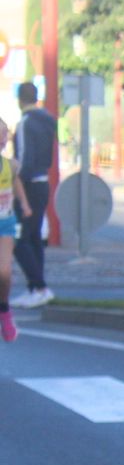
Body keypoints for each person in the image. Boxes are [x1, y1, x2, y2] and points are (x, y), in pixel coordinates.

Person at [12, 82, 56, 308]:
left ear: (20, 100)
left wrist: (15, 180)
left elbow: (23, 158)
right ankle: (35, 288)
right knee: (34, 237)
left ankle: (39, 286)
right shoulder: (48, 121)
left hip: (27, 185)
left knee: (19, 240)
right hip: (43, 182)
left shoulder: (25, 124)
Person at [0, 120, 25, 341]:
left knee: (4, 273)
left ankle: (4, 310)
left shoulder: (10, 165)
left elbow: (16, 183)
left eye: (4, 135)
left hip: (5, 223)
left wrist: (24, 204)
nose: (2, 139)